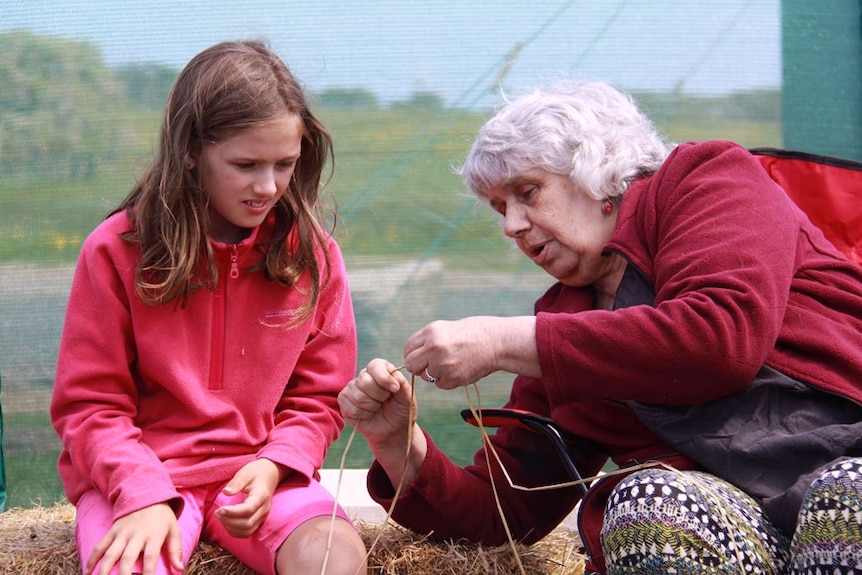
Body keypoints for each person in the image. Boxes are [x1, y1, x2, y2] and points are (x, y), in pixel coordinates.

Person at [338, 80, 862, 574]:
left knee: (843, 499)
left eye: (527, 192)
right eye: (500, 208)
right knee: (648, 505)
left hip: (846, 457)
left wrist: (503, 340)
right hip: (746, 523)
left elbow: (719, 339)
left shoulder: (705, 179)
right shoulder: (564, 321)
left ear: (597, 170)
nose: (511, 226)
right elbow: (508, 514)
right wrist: (400, 448)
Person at [51, 40, 367, 575]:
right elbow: (89, 406)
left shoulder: (314, 257)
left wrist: (275, 465)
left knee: (334, 556)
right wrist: (142, 493)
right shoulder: (113, 251)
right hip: (138, 476)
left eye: (285, 164)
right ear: (192, 150)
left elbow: (320, 396)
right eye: (245, 164)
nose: (267, 186)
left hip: (258, 476)